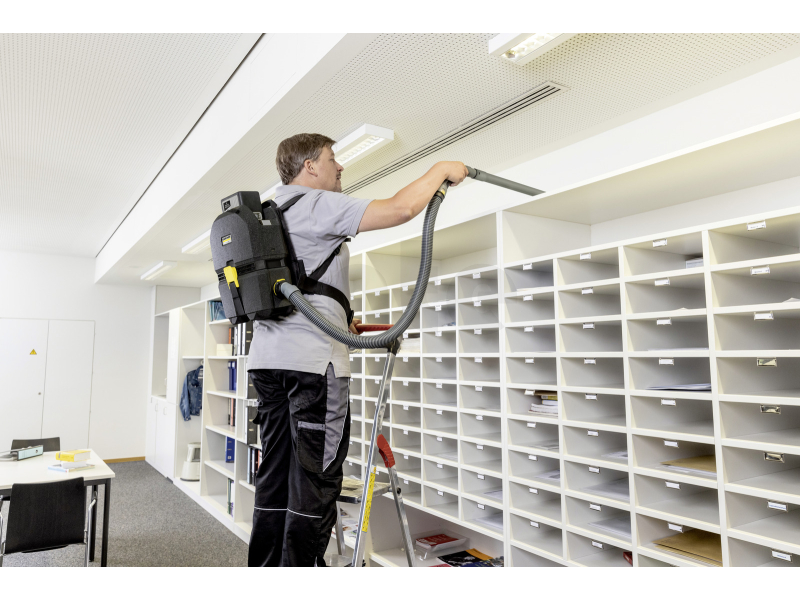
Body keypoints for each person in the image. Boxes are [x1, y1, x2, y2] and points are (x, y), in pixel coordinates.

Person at [246, 132, 468, 567]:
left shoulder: (270, 214)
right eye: (332, 158)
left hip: (268, 364)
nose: (340, 166)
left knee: (275, 475)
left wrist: (340, 318)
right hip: (313, 365)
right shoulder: (317, 203)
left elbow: (299, 281)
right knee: (316, 477)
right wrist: (442, 169)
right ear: (310, 166)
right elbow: (401, 209)